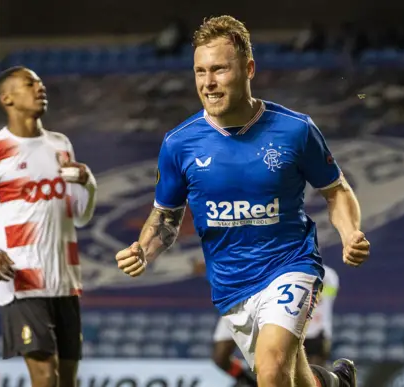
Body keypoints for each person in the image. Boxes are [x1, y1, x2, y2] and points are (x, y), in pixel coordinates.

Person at [114, 15, 369, 387]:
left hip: (290, 265)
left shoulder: (295, 130)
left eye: (219, 69)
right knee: (290, 377)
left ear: (248, 68)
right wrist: (143, 249)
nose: (208, 82)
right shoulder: (179, 144)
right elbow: (166, 218)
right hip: (232, 284)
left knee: (270, 370)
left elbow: (336, 188)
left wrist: (349, 234)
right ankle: (332, 383)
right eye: (200, 71)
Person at [0, 66, 97, 387]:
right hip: (21, 279)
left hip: (65, 279)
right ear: (6, 98)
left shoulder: (60, 145)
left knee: (68, 381)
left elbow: (80, 217)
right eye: (30, 84)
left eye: (40, 83)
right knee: (44, 376)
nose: (40, 88)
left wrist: (87, 183)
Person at [201, 263, 339, 387]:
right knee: (221, 356)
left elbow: (326, 297)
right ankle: (248, 380)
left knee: (285, 370)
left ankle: (333, 381)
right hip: (239, 290)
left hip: (310, 329)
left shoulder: (325, 274)